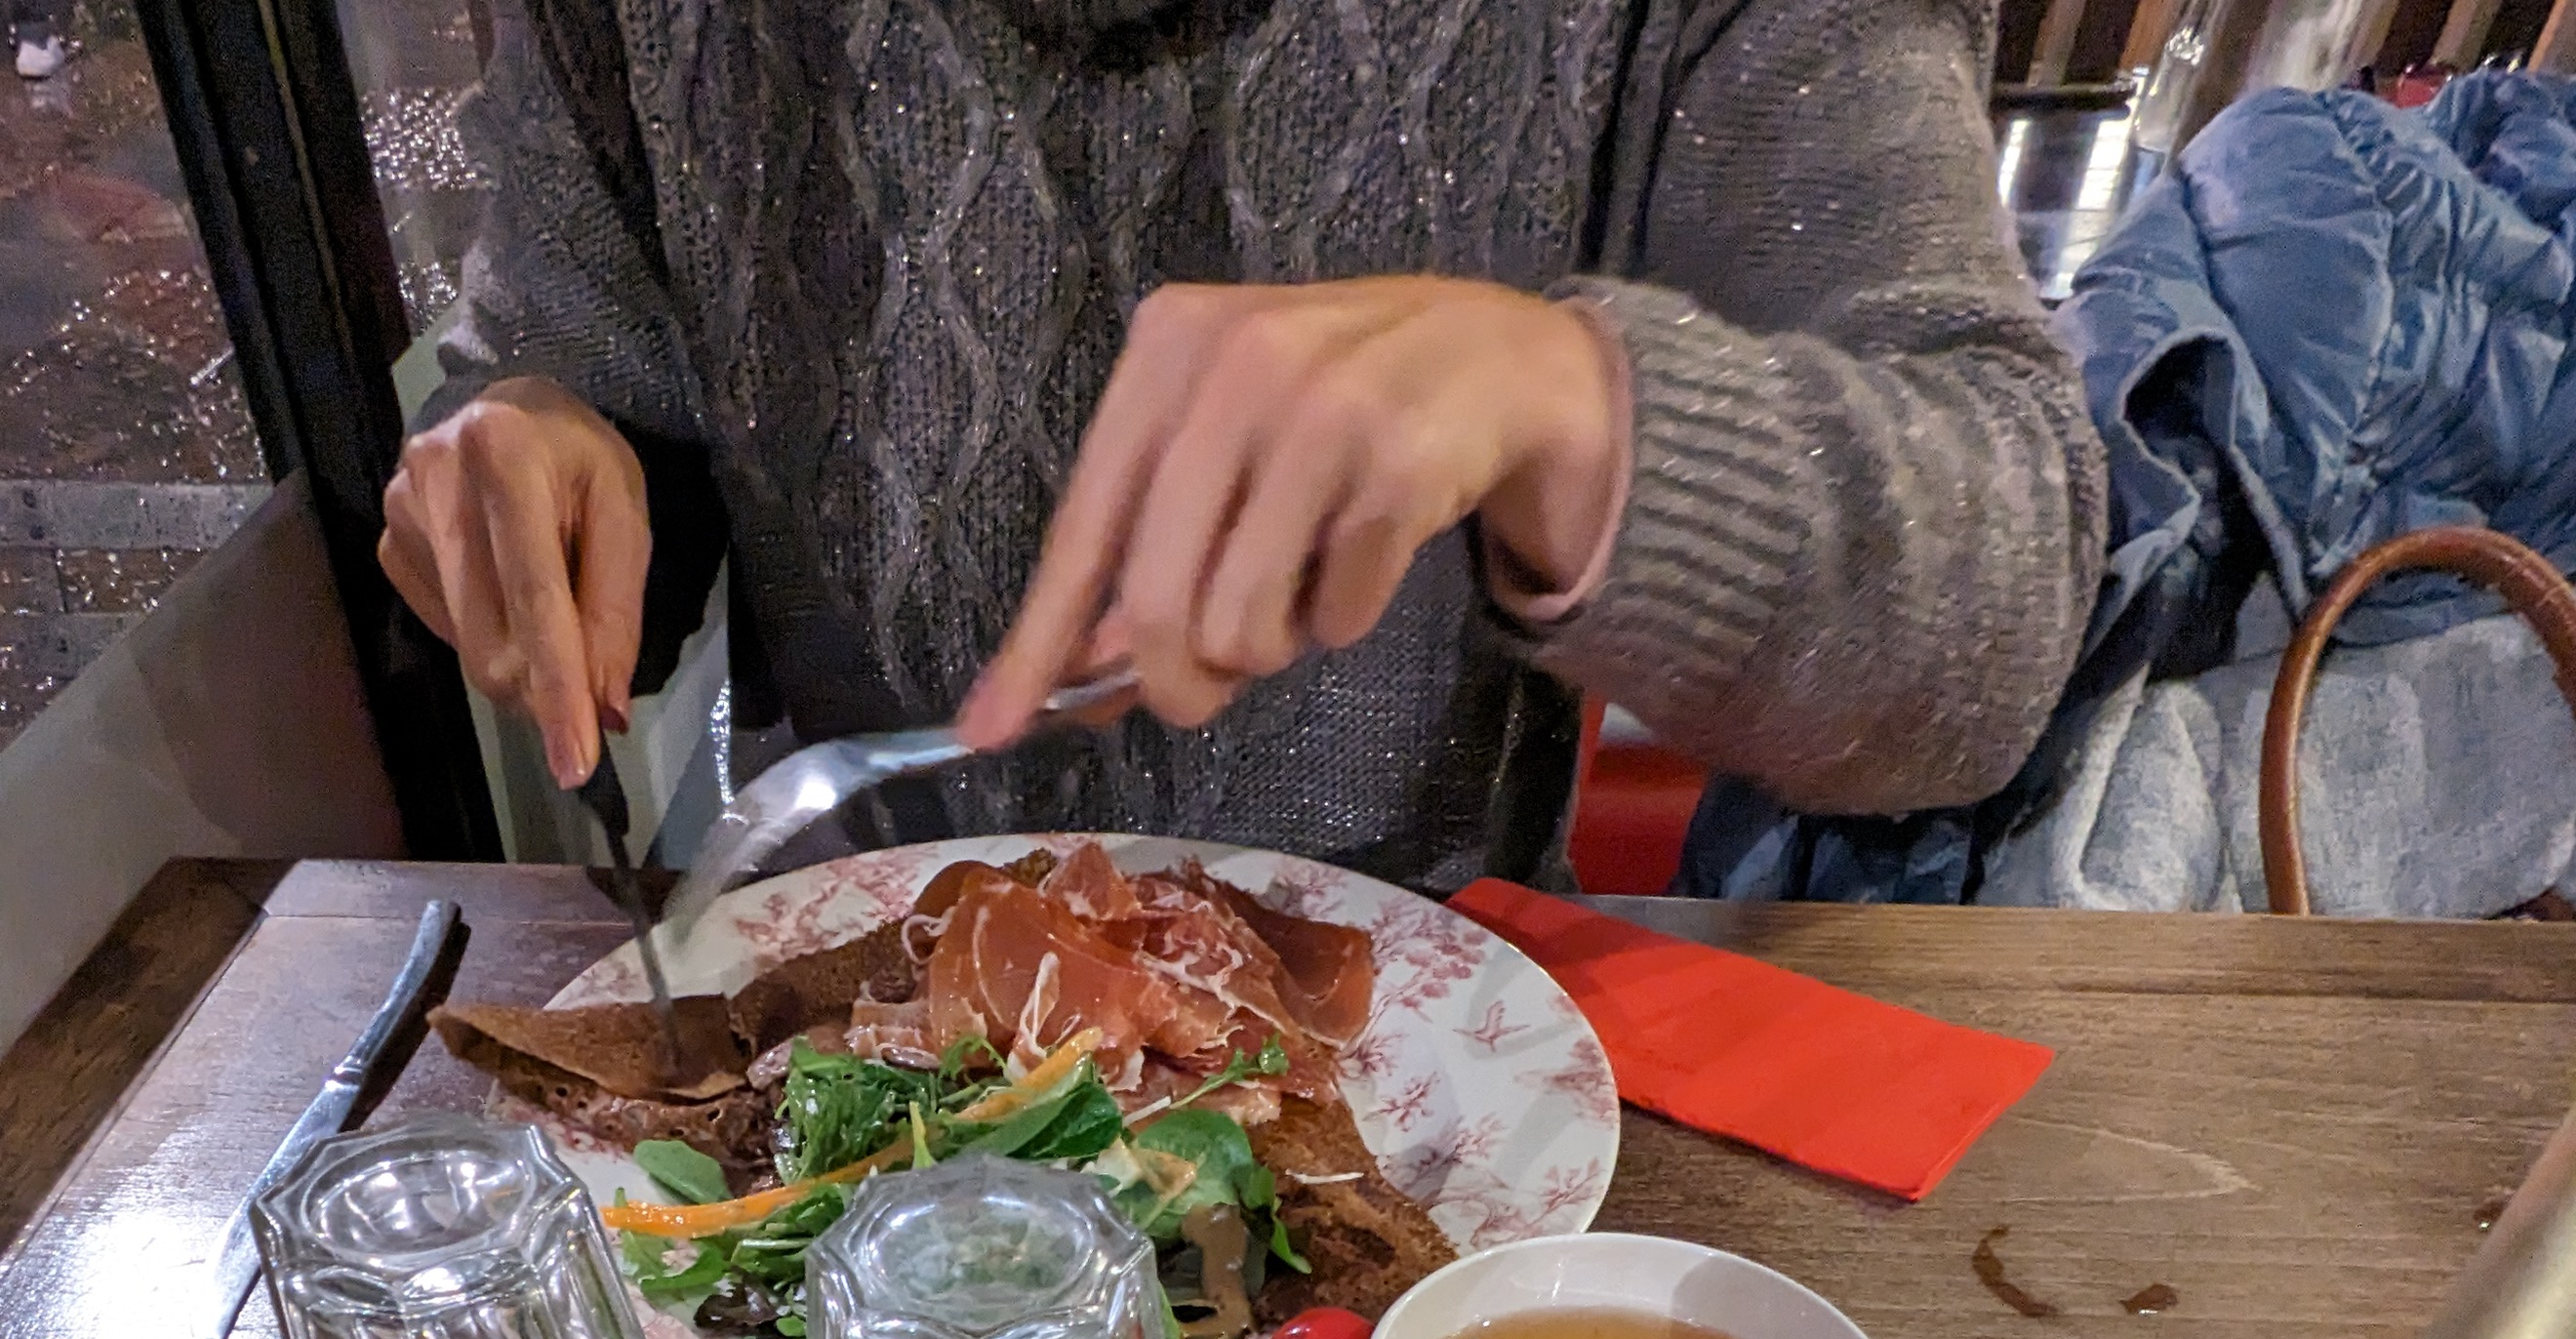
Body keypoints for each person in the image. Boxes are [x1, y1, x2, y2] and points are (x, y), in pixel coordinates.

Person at [380, 0, 2103, 891]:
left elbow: (1996, 614)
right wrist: (529, 443)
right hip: (843, 1011)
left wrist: (1572, 411)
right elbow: (581, 383)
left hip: (1427, 1045)